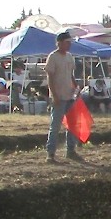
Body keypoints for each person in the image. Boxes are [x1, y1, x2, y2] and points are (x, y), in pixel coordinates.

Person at [45, 31, 82, 162]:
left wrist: (76, 87)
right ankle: (51, 153)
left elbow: (71, 75)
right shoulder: (53, 57)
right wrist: (54, 95)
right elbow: (50, 78)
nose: (69, 45)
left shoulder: (70, 57)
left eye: (70, 42)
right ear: (59, 43)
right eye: (67, 42)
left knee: (72, 125)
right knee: (55, 126)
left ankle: (71, 150)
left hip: (70, 95)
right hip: (59, 96)